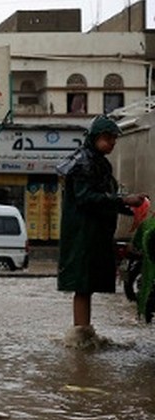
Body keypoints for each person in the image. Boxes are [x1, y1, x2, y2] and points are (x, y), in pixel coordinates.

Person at [55, 115, 148, 349]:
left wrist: (130, 207)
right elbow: (87, 198)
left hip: (94, 234)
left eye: (114, 139)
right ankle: (80, 339)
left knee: (88, 285)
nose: (112, 143)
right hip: (83, 236)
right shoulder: (83, 164)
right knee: (83, 286)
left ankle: (83, 336)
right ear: (95, 138)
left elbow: (105, 199)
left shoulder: (99, 163)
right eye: (108, 138)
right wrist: (123, 200)